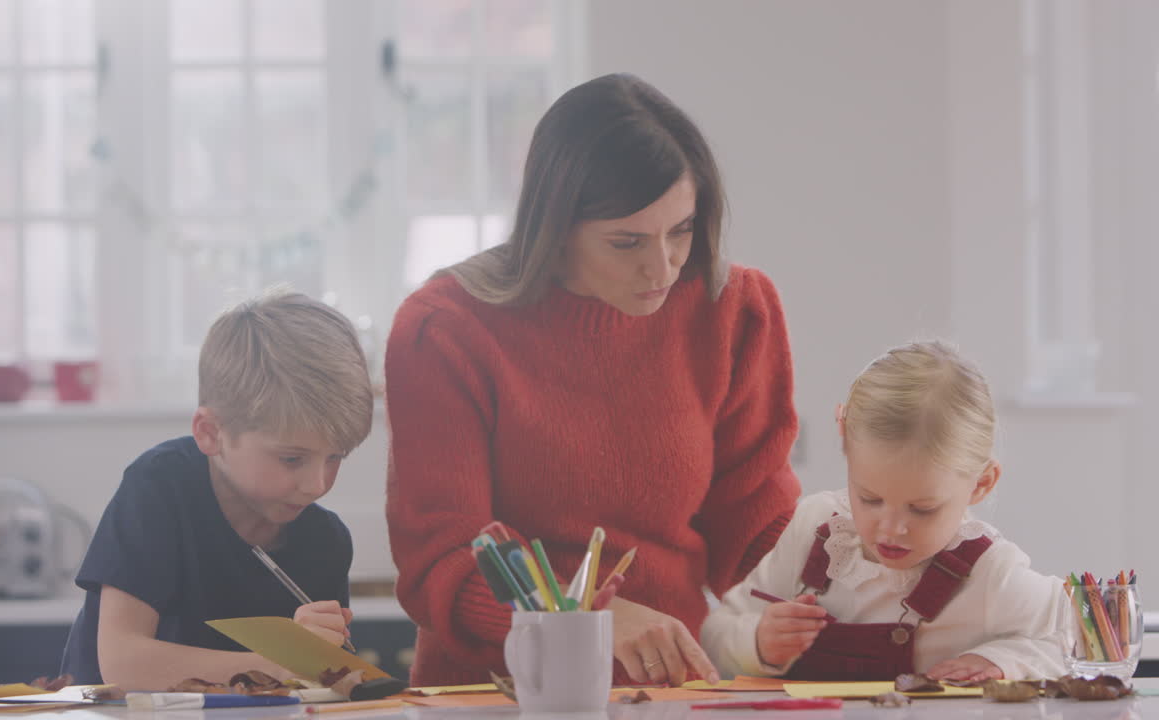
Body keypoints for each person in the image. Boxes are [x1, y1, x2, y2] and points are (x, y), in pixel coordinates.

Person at [384, 73, 802, 688]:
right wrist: (581, 620)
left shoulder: (734, 309)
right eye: (626, 241)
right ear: (553, 226)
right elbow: (441, 563)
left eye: (681, 230)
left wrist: (854, 572)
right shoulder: (445, 328)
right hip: (495, 693)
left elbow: (754, 524)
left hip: (672, 689)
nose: (661, 267)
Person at [60, 288, 374, 689]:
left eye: (336, 457)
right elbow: (123, 663)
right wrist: (282, 664)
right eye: (292, 459)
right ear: (210, 434)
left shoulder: (326, 540)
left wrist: (317, 657)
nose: (317, 485)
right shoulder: (159, 487)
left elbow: (324, 690)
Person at [702, 340, 1067, 682]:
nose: (890, 529)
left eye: (922, 509)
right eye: (869, 499)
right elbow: (714, 635)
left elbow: (1084, 638)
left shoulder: (991, 574)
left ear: (981, 484)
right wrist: (757, 643)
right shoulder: (816, 530)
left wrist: (1003, 660)